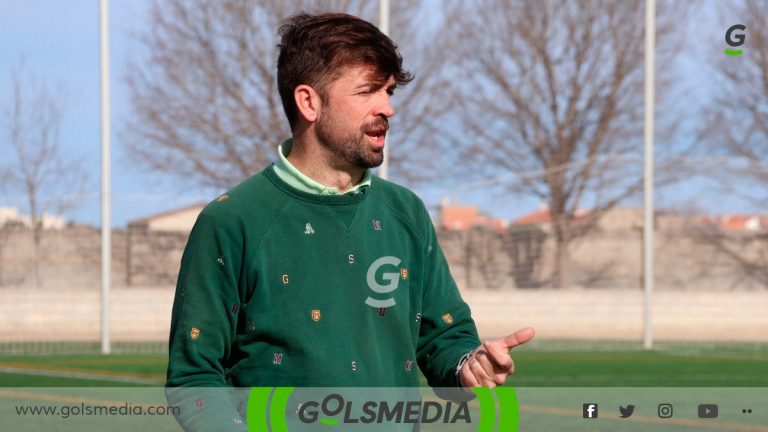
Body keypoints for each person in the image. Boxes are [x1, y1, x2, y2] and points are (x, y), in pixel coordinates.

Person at [165, 12, 534, 430]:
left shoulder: (407, 213)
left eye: (389, 91)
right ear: (309, 102)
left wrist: (469, 368)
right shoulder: (232, 221)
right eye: (367, 92)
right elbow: (193, 378)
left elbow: (443, 339)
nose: (388, 108)